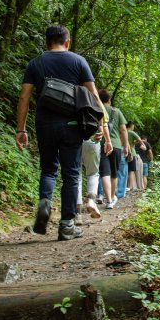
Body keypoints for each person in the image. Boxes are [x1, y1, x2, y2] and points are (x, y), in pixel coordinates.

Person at [16, 25, 111, 241]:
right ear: (67, 42)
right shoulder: (78, 61)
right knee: (71, 173)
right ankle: (67, 225)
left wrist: (21, 129)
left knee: (48, 169)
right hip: (72, 124)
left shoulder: (35, 63)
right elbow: (94, 96)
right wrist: (100, 124)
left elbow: (24, 98)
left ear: (46, 42)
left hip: (44, 124)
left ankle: (44, 204)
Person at [97, 89, 129, 209]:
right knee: (114, 173)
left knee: (104, 172)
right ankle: (111, 199)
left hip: (101, 143)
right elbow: (123, 130)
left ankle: (109, 199)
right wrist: (126, 146)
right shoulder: (116, 111)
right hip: (115, 145)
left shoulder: (97, 108)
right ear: (109, 99)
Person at [126, 121, 144, 191]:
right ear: (131, 125)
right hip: (132, 154)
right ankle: (129, 187)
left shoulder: (121, 131)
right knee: (131, 171)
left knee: (124, 170)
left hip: (123, 152)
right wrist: (135, 143)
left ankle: (123, 185)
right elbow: (140, 140)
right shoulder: (132, 132)